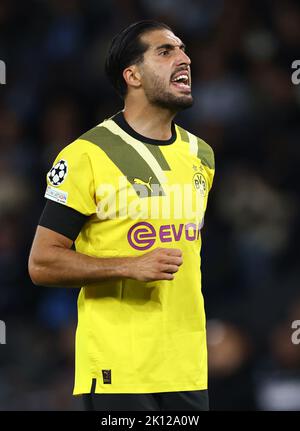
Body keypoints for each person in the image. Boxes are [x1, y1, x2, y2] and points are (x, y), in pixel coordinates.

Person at [28, 20, 215, 411]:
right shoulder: (86, 155)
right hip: (119, 369)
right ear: (132, 75)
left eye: (182, 49)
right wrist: (130, 265)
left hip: (188, 366)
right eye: (165, 52)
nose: (184, 58)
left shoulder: (202, 156)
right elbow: (42, 263)